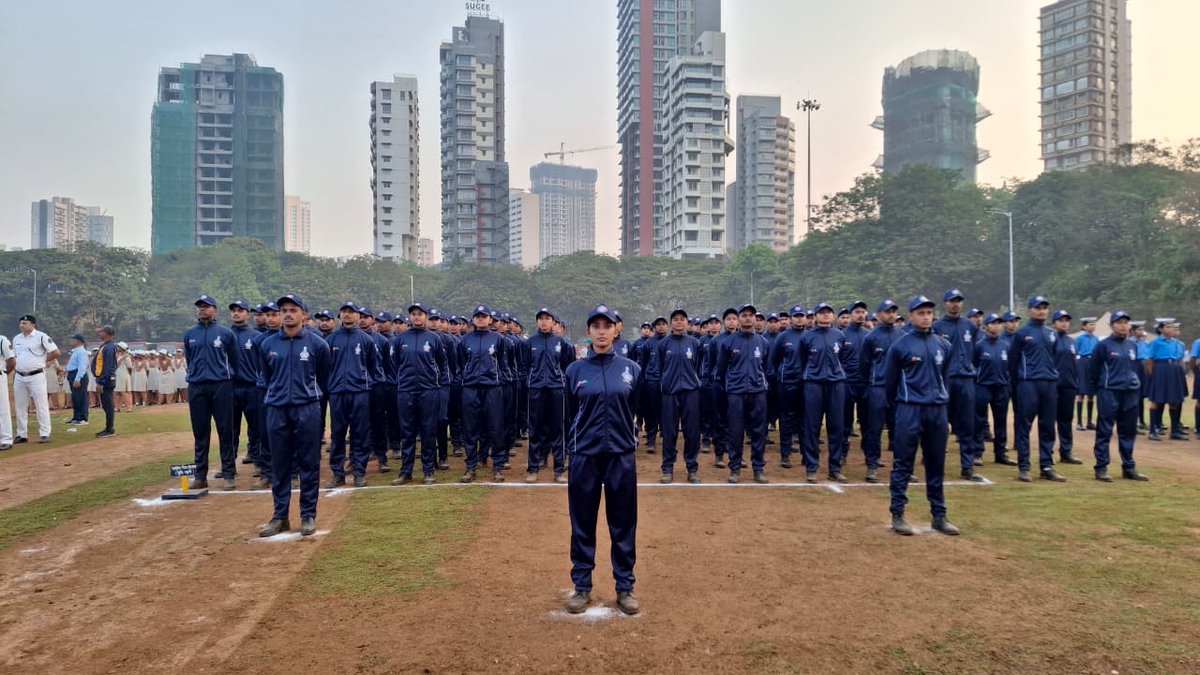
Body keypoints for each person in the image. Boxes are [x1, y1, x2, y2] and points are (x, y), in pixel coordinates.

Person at [564, 304, 642, 616]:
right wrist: (576, 446)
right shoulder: (575, 371)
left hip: (621, 456)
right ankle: (582, 586)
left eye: (606, 326)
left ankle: (625, 588)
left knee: (623, 523)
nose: (601, 331)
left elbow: (634, 407)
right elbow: (569, 413)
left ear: (616, 330)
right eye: (595, 326)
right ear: (588, 332)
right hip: (585, 455)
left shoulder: (631, 369)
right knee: (582, 522)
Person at [884, 296, 960, 536]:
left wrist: (943, 404)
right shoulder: (900, 346)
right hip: (910, 409)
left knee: (936, 463)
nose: (926, 316)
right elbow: (890, 383)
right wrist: (900, 408)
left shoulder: (943, 345)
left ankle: (939, 515)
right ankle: (898, 513)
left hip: (937, 410)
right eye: (921, 313)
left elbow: (945, 378)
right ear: (911, 316)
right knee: (903, 463)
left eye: (929, 312)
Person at [257, 294, 331, 538]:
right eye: (284, 310)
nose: (287, 314)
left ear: (304, 315)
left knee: (309, 463)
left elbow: (322, 377)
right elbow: (267, 378)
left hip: (307, 408)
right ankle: (280, 517)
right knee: (280, 465)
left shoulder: (318, 344)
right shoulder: (267, 344)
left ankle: (308, 514)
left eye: (293, 310)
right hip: (277, 409)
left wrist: (306, 394)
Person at [1008, 296, 1066, 483]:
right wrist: (1020, 382)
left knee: (1048, 426)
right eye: (1037, 307)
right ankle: (1024, 467)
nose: (1042, 311)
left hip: (1049, 383)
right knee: (1024, 426)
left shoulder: (1052, 333)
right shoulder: (1021, 333)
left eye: (1044, 308)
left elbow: (1055, 358)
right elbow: (1012, 361)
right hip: (1028, 383)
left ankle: (1047, 466)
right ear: (1029, 311)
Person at [183, 294, 239, 491]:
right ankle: (200, 475)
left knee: (225, 431)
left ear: (215, 310)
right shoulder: (190, 334)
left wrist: (225, 377)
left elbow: (234, 360)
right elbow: (190, 360)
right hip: (197, 386)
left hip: (221, 385)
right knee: (200, 431)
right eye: (199, 306)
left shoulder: (225, 334)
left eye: (206, 306)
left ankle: (229, 474)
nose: (202, 309)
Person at [391, 302, 447, 485]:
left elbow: (442, 364)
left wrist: (438, 385)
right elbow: (395, 364)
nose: (416, 317)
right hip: (406, 390)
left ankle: (428, 470)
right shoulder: (400, 339)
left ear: (426, 316)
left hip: (428, 390)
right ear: (410, 317)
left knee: (428, 430)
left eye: (420, 314)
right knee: (407, 432)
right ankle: (406, 471)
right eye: (413, 314)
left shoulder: (434, 338)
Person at [1088, 311, 1148, 482]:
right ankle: (1101, 467)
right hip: (1109, 392)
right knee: (1104, 430)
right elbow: (1092, 370)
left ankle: (1129, 467)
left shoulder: (1132, 345)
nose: (1123, 325)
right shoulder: (1103, 346)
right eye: (1119, 322)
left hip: (1129, 392)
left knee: (1128, 431)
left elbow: (1133, 368)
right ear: (1111, 325)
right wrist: (1101, 387)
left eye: (1126, 322)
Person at [932, 289, 983, 482]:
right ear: (945, 303)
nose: (955, 304)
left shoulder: (970, 326)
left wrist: (972, 370)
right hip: (945, 381)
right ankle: (936, 463)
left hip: (966, 380)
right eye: (952, 301)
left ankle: (967, 466)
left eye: (959, 301)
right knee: (939, 424)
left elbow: (977, 354)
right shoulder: (937, 327)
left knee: (967, 424)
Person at [324, 302, 377, 488]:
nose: (347, 315)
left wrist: (364, 384)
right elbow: (324, 367)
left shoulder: (366, 340)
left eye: (351, 312)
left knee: (360, 433)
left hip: (360, 392)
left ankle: (359, 472)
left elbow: (372, 367)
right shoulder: (330, 340)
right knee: (338, 434)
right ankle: (337, 473)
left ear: (358, 316)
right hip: (337, 393)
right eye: (344, 312)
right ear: (340, 316)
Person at [797, 303, 850, 483]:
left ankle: (834, 468)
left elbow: (841, 358)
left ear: (833, 316)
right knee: (812, 427)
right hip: (814, 384)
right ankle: (812, 467)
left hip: (836, 384)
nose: (825, 315)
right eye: (822, 313)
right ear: (815, 317)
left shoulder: (839, 336)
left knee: (836, 427)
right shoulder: (807, 337)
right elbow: (801, 360)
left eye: (828, 313)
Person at [524, 307, 575, 483]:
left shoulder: (562, 343)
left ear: (553, 321)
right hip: (536, 389)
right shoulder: (530, 343)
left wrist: (559, 381)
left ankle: (559, 469)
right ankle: (532, 468)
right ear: (537, 322)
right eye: (541, 318)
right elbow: (525, 365)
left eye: (547, 318)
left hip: (556, 389)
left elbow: (568, 366)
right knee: (534, 429)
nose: (544, 321)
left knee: (558, 429)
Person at [458, 305, 506, 482]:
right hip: (470, 388)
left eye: (483, 316)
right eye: (477, 316)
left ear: (490, 319)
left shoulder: (498, 339)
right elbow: (461, 361)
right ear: (473, 319)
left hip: (492, 388)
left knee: (495, 427)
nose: (480, 319)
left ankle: (498, 467)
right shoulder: (465, 340)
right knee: (470, 429)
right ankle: (471, 467)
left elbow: (502, 362)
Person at [860, 300, 904, 483]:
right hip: (877, 388)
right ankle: (872, 465)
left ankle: (902, 466)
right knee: (874, 429)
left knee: (901, 429)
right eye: (887, 312)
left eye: (893, 311)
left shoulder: (903, 335)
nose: (891, 315)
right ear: (878, 315)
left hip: (899, 390)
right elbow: (864, 365)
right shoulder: (870, 338)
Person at [657, 308, 702, 483]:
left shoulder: (694, 343)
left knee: (692, 432)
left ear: (687, 322)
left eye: (682, 319)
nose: (679, 322)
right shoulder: (664, 344)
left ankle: (692, 468)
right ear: (671, 323)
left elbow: (696, 366)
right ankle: (668, 468)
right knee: (669, 432)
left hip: (691, 393)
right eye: (675, 319)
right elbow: (661, 367)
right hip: (670, 393)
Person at [974, 314, 1017, 467]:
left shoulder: (1005, 345)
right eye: (993, 323)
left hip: (1001, 388)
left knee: (1001, 421)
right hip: (983, 386)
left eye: (999, 323)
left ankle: (1001, 453)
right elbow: (973, 364)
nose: (997, 326)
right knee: (979, 420)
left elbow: (1010, 367)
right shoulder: (979, 345)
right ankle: (977, 453)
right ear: (986, 326)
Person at [12, 314, 60, 444]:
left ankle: (45, 433)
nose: (22, 325)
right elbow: (16, 356)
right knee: (20, 406)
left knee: (41, 405)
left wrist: (42, 361)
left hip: (36, 375)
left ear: (33, 325)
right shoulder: (16, 338)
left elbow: (56, 352)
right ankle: (22, 434)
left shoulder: (41, 336)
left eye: (25, 323)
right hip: (20, 375)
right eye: (21, 323)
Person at [771, 305, 808, 470]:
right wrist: (781, 376)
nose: (799, 318)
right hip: (787, 383)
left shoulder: (810, 336)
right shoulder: (783, 336)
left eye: (802, 316)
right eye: (796, 316)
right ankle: (785, 455)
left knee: (805, 419)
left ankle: (806, 454)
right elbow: (774, 360)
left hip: (807, 383)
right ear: (791, 318)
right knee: (786, 419)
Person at [228, 299, 264, 470]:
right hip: (230, 388)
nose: (236, 313)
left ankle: (257, 461)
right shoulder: (225, 335)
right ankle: (228, 465)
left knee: (256, 427)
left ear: (248, 314)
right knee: (230, 428)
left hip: (252, 387)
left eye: (240, 310)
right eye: (234, 310)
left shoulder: (257, 336)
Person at [1146, 319, 1189, 441]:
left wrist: (1181, 373)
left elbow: (1180, 359)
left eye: (1171, 327)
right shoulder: (1156, 343)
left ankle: (1174, 431)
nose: (1170, 329)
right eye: (1167, 327)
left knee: (1174, 401)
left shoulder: (1176, 343)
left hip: (1174, 370)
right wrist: (1152, 376)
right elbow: (1150, 360)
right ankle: (1153, 430)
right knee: (1156, 400)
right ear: (1160, 329)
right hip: (1160, 369)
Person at [1051, 310, 1084, 464]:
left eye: (1066, 320)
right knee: (1049, 420)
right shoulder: (1050, 339)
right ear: (1054, 323)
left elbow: (1075, 364)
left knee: (1066, 420)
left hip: (1069, 386)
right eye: (1060, 320)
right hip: (1052, 385)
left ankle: (1066, 452)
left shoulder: (1072, 341)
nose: (1064, 323)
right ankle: (1047, 451)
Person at [1074, 317, 1100, 431]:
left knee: (1091, 393)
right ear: (1084, 327)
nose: (1092, 327)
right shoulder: (1079, 339)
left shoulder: (1096, 339)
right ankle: (1079, 422)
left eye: (1094, 324)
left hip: (1093, 363)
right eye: (1090, 324)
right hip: (1083, 362)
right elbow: (1075, 352)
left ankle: (1089, 421)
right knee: (1081, 392)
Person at [93, 326, 118, 437]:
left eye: (101, 332)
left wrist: (101, 381)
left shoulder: (108, 347)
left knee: (108, 405)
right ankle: (108, 428)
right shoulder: (106, 346)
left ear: (107, 333)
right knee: (106, 404)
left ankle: (110, 429)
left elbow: (108, 366)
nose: (100, 334)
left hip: (106, 380)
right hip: (105, 378)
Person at [66, 334, 91, 425]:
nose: (70, 342)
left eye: (72, 340)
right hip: (73, 374)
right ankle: (76, 417)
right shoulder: (75, 351)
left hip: (78, 374)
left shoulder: (81, 352)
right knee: (75, 397)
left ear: (78, 341)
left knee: (81, 397)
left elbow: (82, 366)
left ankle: (83, 418)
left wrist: (78, 378)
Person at [0, 332, 13, 450]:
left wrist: (4, 373)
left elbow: (11, 361)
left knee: (2, 408)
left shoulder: (2, 340)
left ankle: (6, 439)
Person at [115, 342, 133, 413]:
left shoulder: (126, 357)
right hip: (118, 375)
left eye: (119, 347)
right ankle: (117, 407)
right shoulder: (118, 356)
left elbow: (130, 367)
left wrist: (128, 374)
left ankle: (129, 407)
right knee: (117, 392)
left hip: (124, 375)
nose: (117, 348)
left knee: (125, 392)